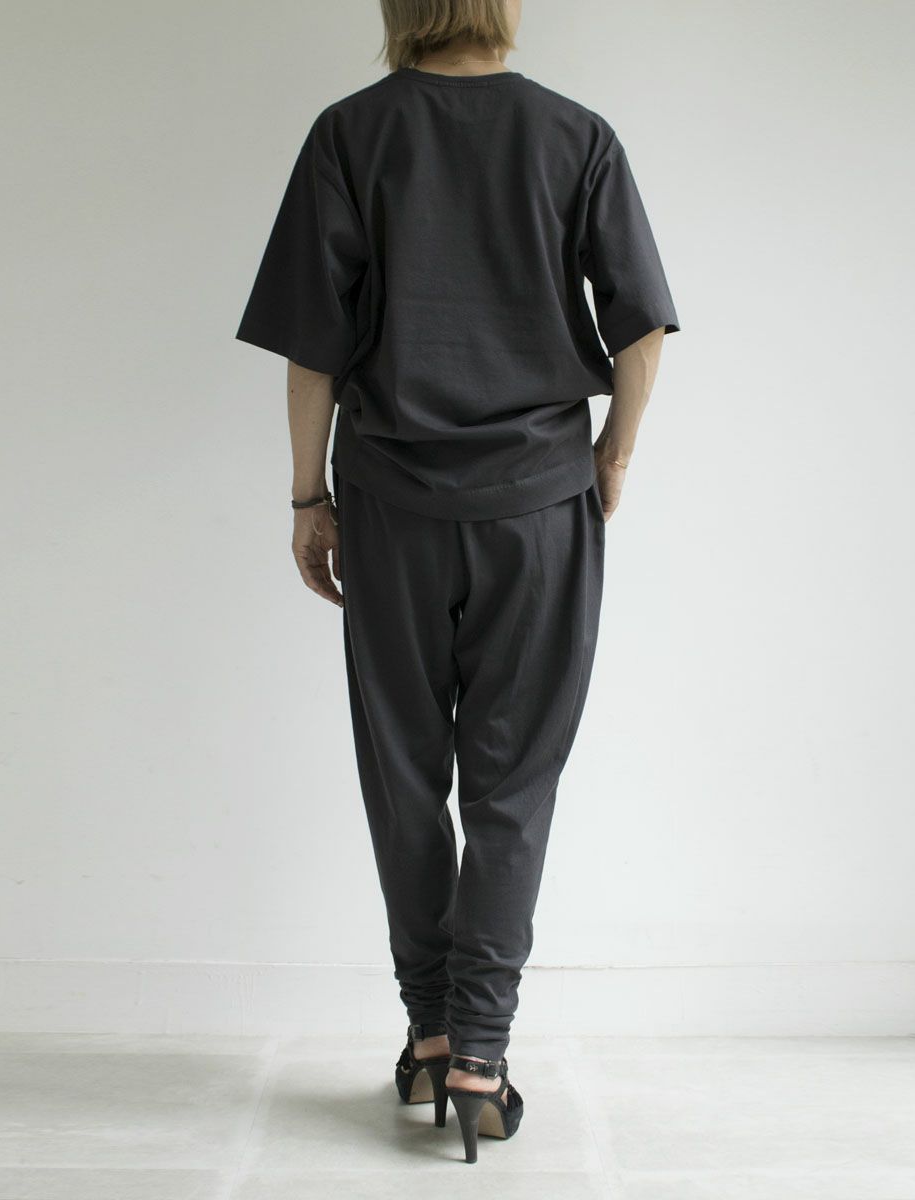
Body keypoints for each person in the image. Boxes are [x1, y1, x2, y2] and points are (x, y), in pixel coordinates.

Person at [235, 0, 680, 1164]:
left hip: (391, 502)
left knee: (402, 770)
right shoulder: (575, 136)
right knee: (512, 780)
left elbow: (315, 343)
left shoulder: (350, 133)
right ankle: (482, 1054)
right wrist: (612, 457)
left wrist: (307, 496)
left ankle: (431, 1032)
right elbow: (639, 327)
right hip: (539, 504)